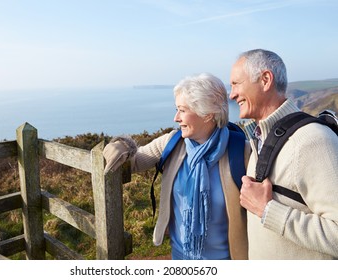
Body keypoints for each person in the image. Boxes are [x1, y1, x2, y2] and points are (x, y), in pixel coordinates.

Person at [103, 73, 249, 260]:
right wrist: (120, 146)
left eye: (182, 110)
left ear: (207, 114)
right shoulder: (172, 143)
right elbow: (135, 161)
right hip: (180, 257)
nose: (176, 118)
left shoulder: (242, 153)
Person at [229, 49, 338, 259]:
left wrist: (268, 210)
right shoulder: (260, 138)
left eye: (236, 84)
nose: (231, 94)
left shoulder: (313, 141)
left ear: (265, 79)